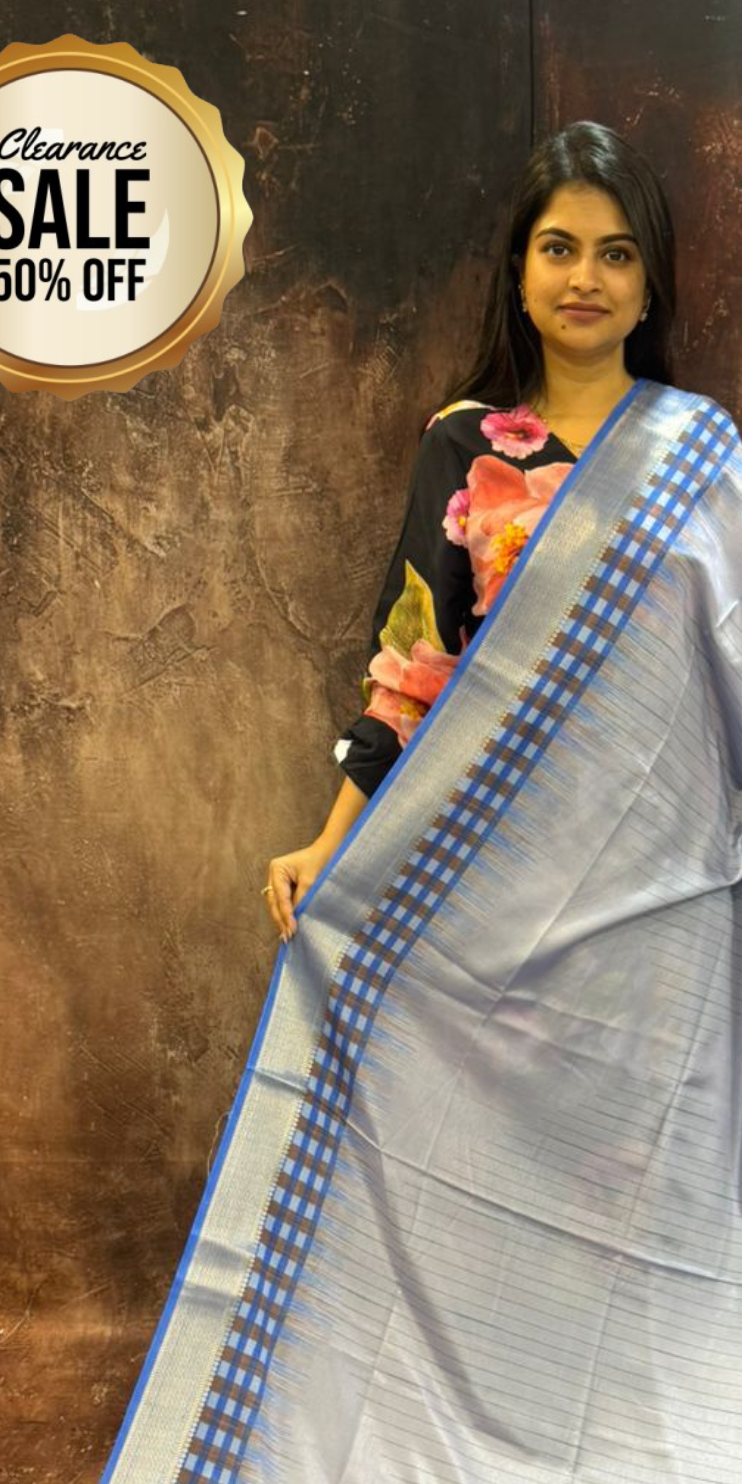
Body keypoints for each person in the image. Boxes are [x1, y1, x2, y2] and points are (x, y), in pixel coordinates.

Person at [261, 121, 676, 943]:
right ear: (520, 274)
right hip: (505, 851)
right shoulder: (466, 444)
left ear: (648, 284)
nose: (585, 277)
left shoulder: (697, 449)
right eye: (558, 249)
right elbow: (413, 664)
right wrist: (329, 843)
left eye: (616, 254)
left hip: (660, 856)